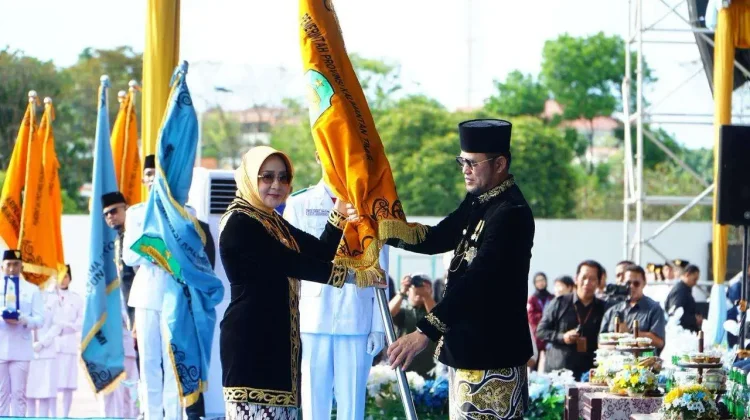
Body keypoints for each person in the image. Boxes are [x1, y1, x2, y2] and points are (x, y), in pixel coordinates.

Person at [381, 119, 535, 419]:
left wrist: (424, 331)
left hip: (493, 355)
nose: (465, 169)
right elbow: (438, 237)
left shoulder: (511, 212)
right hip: (467, 351)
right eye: (462, 161)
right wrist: (383, 229)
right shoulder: (479, 201)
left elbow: (479, 280)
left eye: (473, 163)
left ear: (500, 164)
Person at [219, 146, 386, 420]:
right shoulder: (241, 221)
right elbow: (292, 263)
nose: (276, 185)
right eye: (267, 177)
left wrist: (339, 214)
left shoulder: (271, 219)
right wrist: (355, 277)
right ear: (249, 177)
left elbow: (319, 252)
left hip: (279, 337)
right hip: (250, 339)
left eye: (283, 177)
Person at [283, 161, 387, 420]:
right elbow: (290, 268)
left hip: (357, 316)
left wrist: (378, 326)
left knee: (352, 406)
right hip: (312, 317)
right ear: (318, 156)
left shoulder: (371, 205)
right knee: (313, 404)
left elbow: (381, 270)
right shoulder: (299, 203)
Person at [123, 154, 184, 420]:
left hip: (174, 293)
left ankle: (173, 416)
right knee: (148, 361)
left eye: (157, 174)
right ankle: (152, 415)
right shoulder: (136, 213)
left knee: (172, 361)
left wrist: (164, 252)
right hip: (147, 292)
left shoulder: (183, 212)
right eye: (149, 174)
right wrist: (156, 253)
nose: (153, 179)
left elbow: (187, 253)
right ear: (144, 179)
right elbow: (128, 256)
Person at [535, 261, 606, 380]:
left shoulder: (603, 308)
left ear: (599, 282)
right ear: (576, 279)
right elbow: (541, 331)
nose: (587, 282)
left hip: (590, 374)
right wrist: (562, 337)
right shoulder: (560, 302)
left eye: (592, 279)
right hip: (559, 373)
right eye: (584, 277)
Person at [0, 249, 43, 416]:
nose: (12, 268)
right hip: (1, 346)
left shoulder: (32, 290)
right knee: (1, 395)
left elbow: (40, 320)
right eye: (9, 265)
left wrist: (24, 319)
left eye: (16, 264)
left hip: (21, 348)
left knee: (19, 395)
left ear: (22, 267)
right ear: (2, 267)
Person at [600, 264, 667, 350]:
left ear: (644, 283)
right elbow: (600, 341)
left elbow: (659, 342)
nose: (631, 286)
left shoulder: (654, 309)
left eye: (636, 283)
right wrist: (614, 347)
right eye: (628, 283)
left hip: (641, 357)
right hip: (615, 356)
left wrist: (631, 333)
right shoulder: (613, 310)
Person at [26, 274, 64, 418]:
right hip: (27, 351)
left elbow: (57, 325)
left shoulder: (53, 299)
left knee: (45, 395)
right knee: (28, 395)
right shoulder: (25, 296)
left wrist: (42, 343)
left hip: (47, 352)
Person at [389, 274, 438, 377]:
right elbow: (388, 314)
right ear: (408, 290)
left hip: (430, 369)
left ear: (431, 291)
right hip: (403, 367)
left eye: (425, 286)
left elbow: (439, 319)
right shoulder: (403, 309)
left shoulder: (433, 307)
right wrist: (402, 292)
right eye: (415, 285)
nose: (419, 289)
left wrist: (426, 296)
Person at [102, 188, 136, 328]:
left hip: (144, 308)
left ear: (126, 208)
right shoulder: (118, 239)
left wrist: (138, 317)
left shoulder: (136, 235)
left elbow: (139, 277)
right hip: (130, 309)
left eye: (114, 211)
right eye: (106, 214)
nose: (110, 216)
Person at [55, 264, 84, 417]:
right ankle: (52, 414)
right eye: (59, 276)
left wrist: (67, 326)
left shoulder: (77, 299)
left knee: (68, 384)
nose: (62, 279)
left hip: (69, 344)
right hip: (52, 345)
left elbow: (81, 321)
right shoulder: (48, 297)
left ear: (70, 278)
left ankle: (65, 415)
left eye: (65, 276)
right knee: (51, 383)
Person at [527, 272, 553, 370]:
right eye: (538, 281)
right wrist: (544, 318)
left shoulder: (551, 297)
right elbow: (531, 316)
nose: (540, 283)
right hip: (537, 333)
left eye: (542, 280)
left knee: (550, 361)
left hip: (549, 332)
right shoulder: (532, 299)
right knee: (534, 360)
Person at [665, 264, 701, 333]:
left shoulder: (685, 289)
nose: (695, 283)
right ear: (687, 274)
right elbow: (675, 314)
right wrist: (694, 319)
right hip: (680, 332)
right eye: (694, 279)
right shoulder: (680, 291)